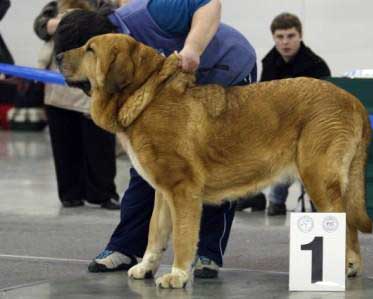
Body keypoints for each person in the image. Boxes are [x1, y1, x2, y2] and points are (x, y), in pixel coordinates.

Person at [53, 0, 256, 278]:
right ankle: (125, 247)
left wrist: (193, 48)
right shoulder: (107, 59)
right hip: (171, 90)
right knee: (149, 166)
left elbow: (209, 4)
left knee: (215, 162)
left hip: (226, 67)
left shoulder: (149, 12)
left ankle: (207, 253)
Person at [238, 12, 331, 216]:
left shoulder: (317, 65)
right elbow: (262, 99)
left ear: (300, 35)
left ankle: (288, 200)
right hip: (277, 128)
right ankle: (268, 199)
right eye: (280, 37)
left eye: (290, 36)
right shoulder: (269, 62)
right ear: (274, 38)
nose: (285, 42)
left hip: (310, 130)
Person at [34, 0, 120, 209]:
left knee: (100, 145)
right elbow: (40, 26)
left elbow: (112, 25)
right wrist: (56, 24)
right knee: (63, 144)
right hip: (58, 85)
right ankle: (70, 194)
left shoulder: (104, 4)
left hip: (91, 84)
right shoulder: (55, 5)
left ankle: (103, 193)